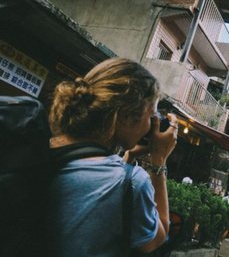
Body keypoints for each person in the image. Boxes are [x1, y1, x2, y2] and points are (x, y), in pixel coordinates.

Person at [47, 58, 178, 256]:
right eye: (151, 116)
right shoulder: (133, 182)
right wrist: (159, 160)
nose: (152, 125)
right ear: (126, 116)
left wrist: (127, 158)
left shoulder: (41, 147)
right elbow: (158, 239)